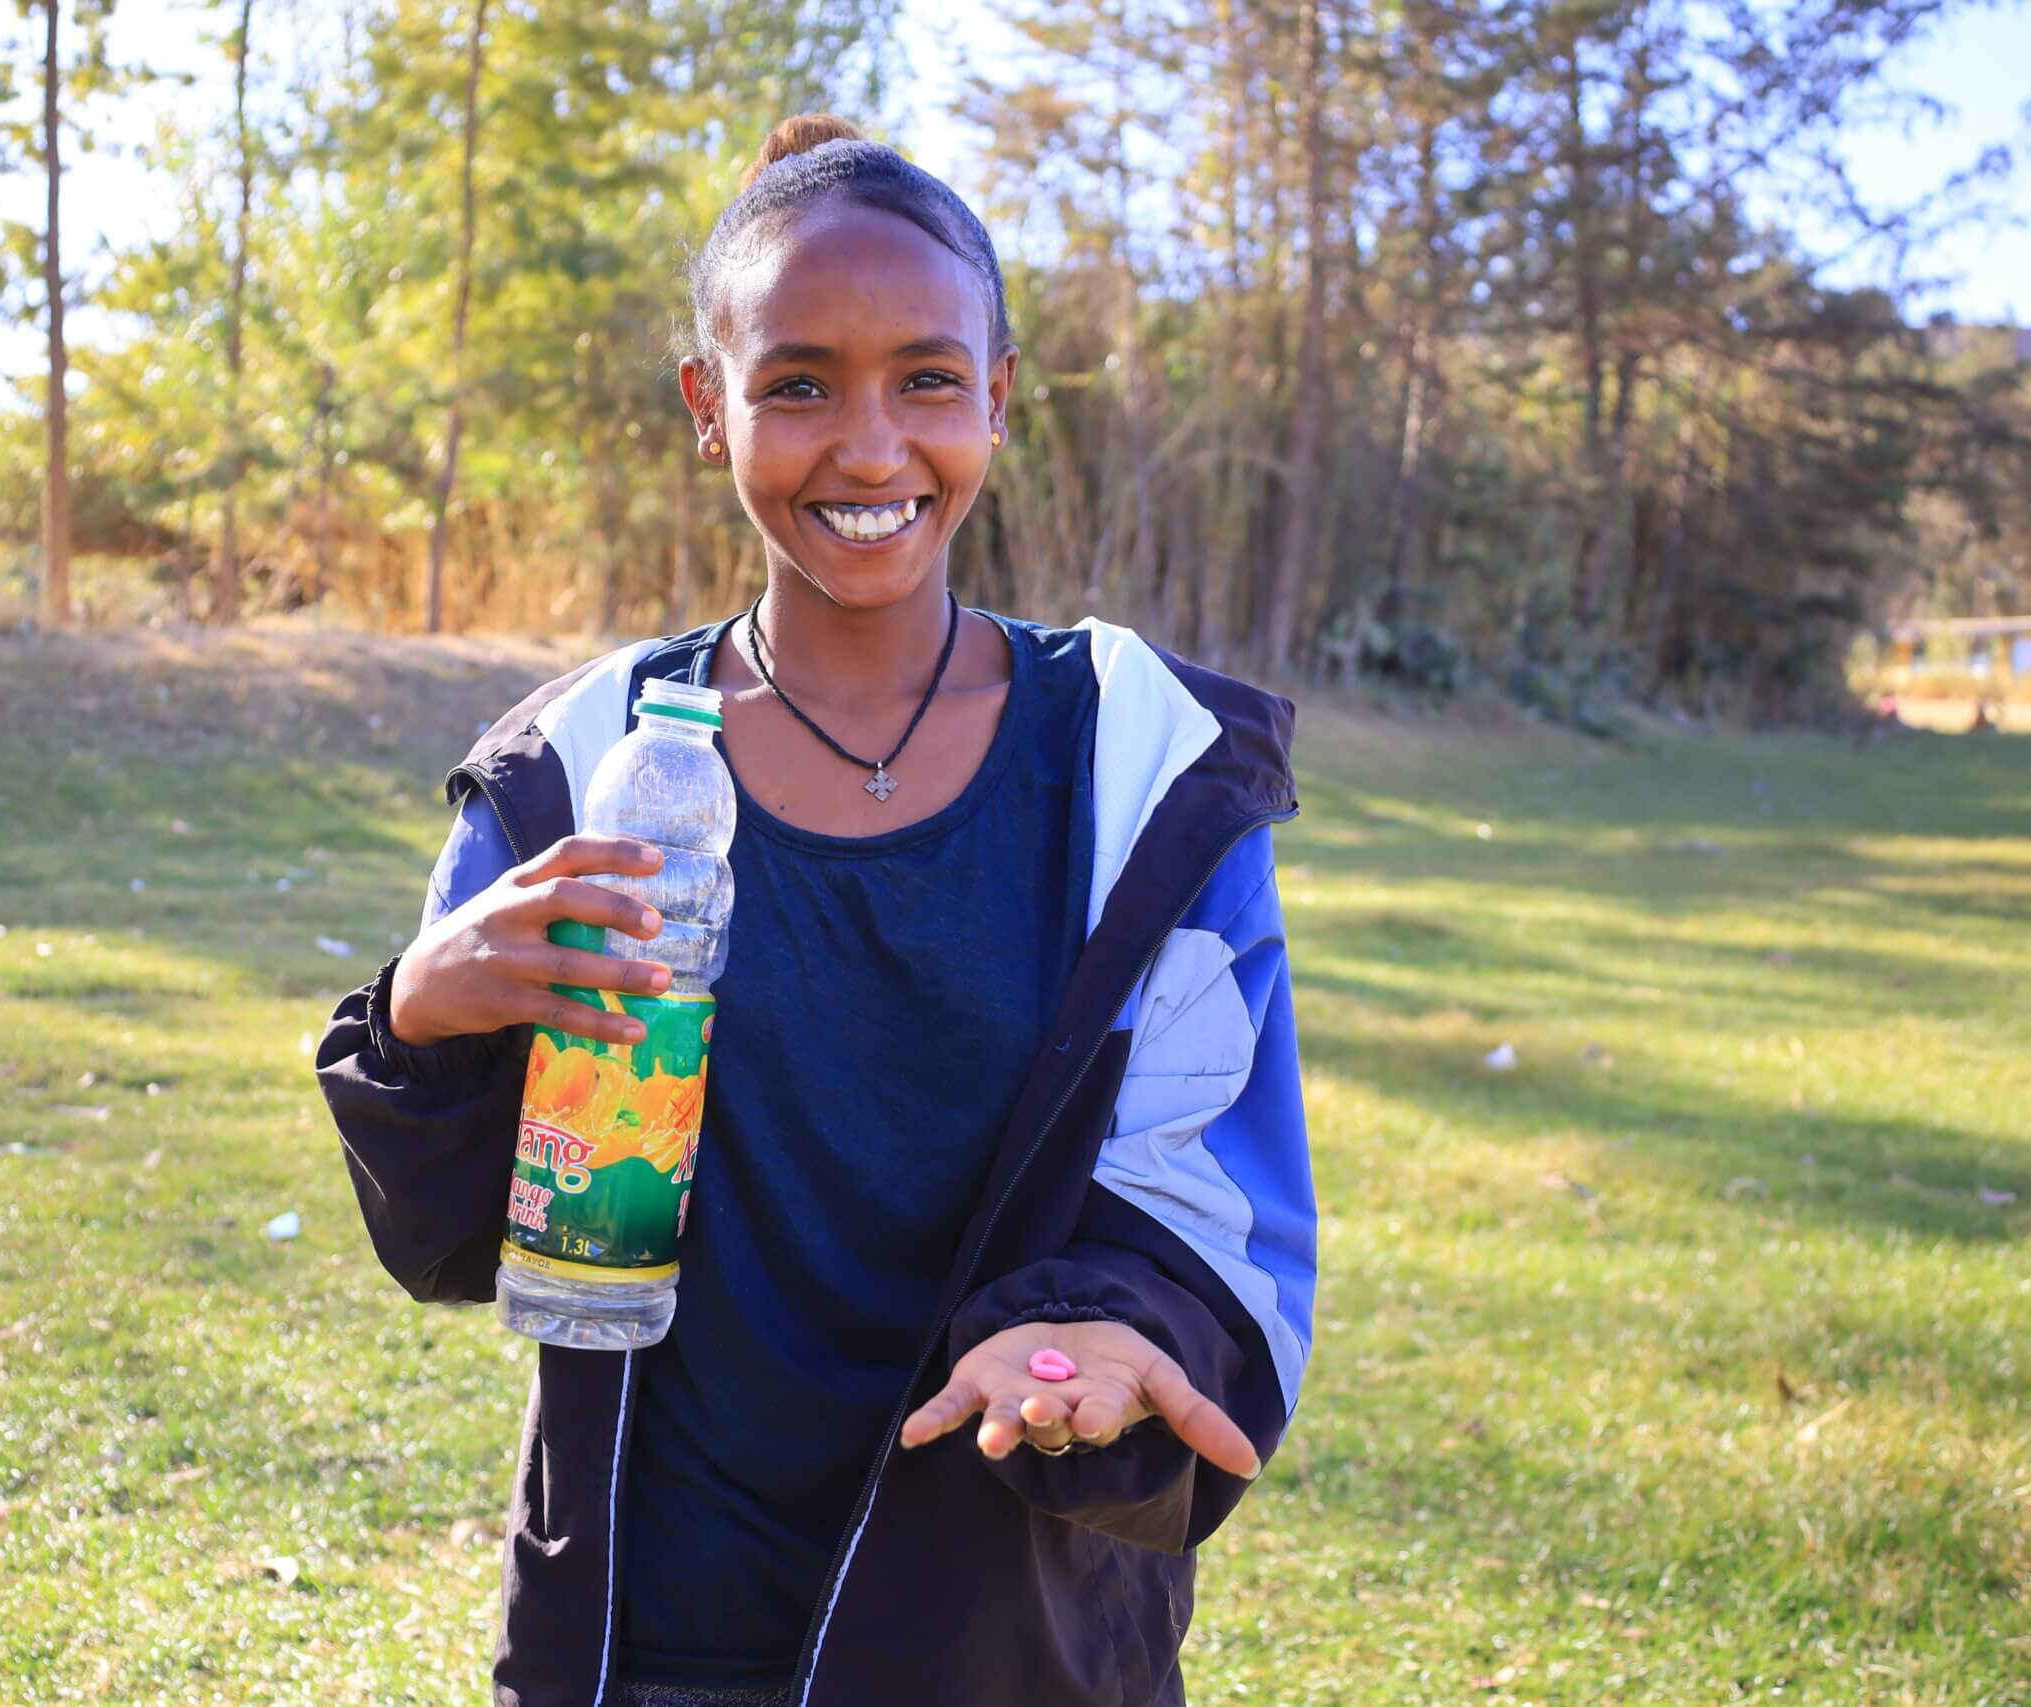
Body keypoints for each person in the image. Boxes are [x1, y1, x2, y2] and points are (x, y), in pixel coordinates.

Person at [317, 114, 1316, 1707]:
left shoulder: (1142, 771)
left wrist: (1111, 1334)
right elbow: (453, 1238)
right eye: (797, 385)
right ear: (706, 408)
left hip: (1011, 1644)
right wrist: (415, 1027)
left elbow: (1211, 1194)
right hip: (642, 1639)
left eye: (927, 379)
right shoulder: (579, 766)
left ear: (999, 395)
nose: (867, 448)